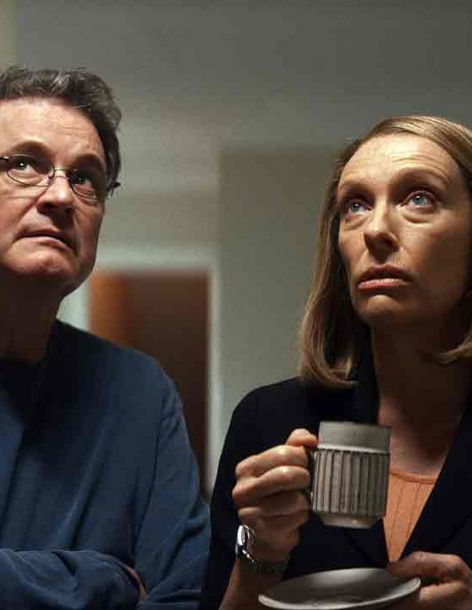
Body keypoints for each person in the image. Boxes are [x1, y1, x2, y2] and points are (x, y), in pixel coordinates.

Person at [201, 115, 472, 609]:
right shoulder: (268, 421)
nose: (376, 230)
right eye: (356, 205)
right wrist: (261, 553)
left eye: (419, 198)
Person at [0, 66, 209, 609]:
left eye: (85, 179)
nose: (61, 196)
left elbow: (188, 595)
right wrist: (103, 583)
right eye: (23, 164)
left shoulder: (140, 394)